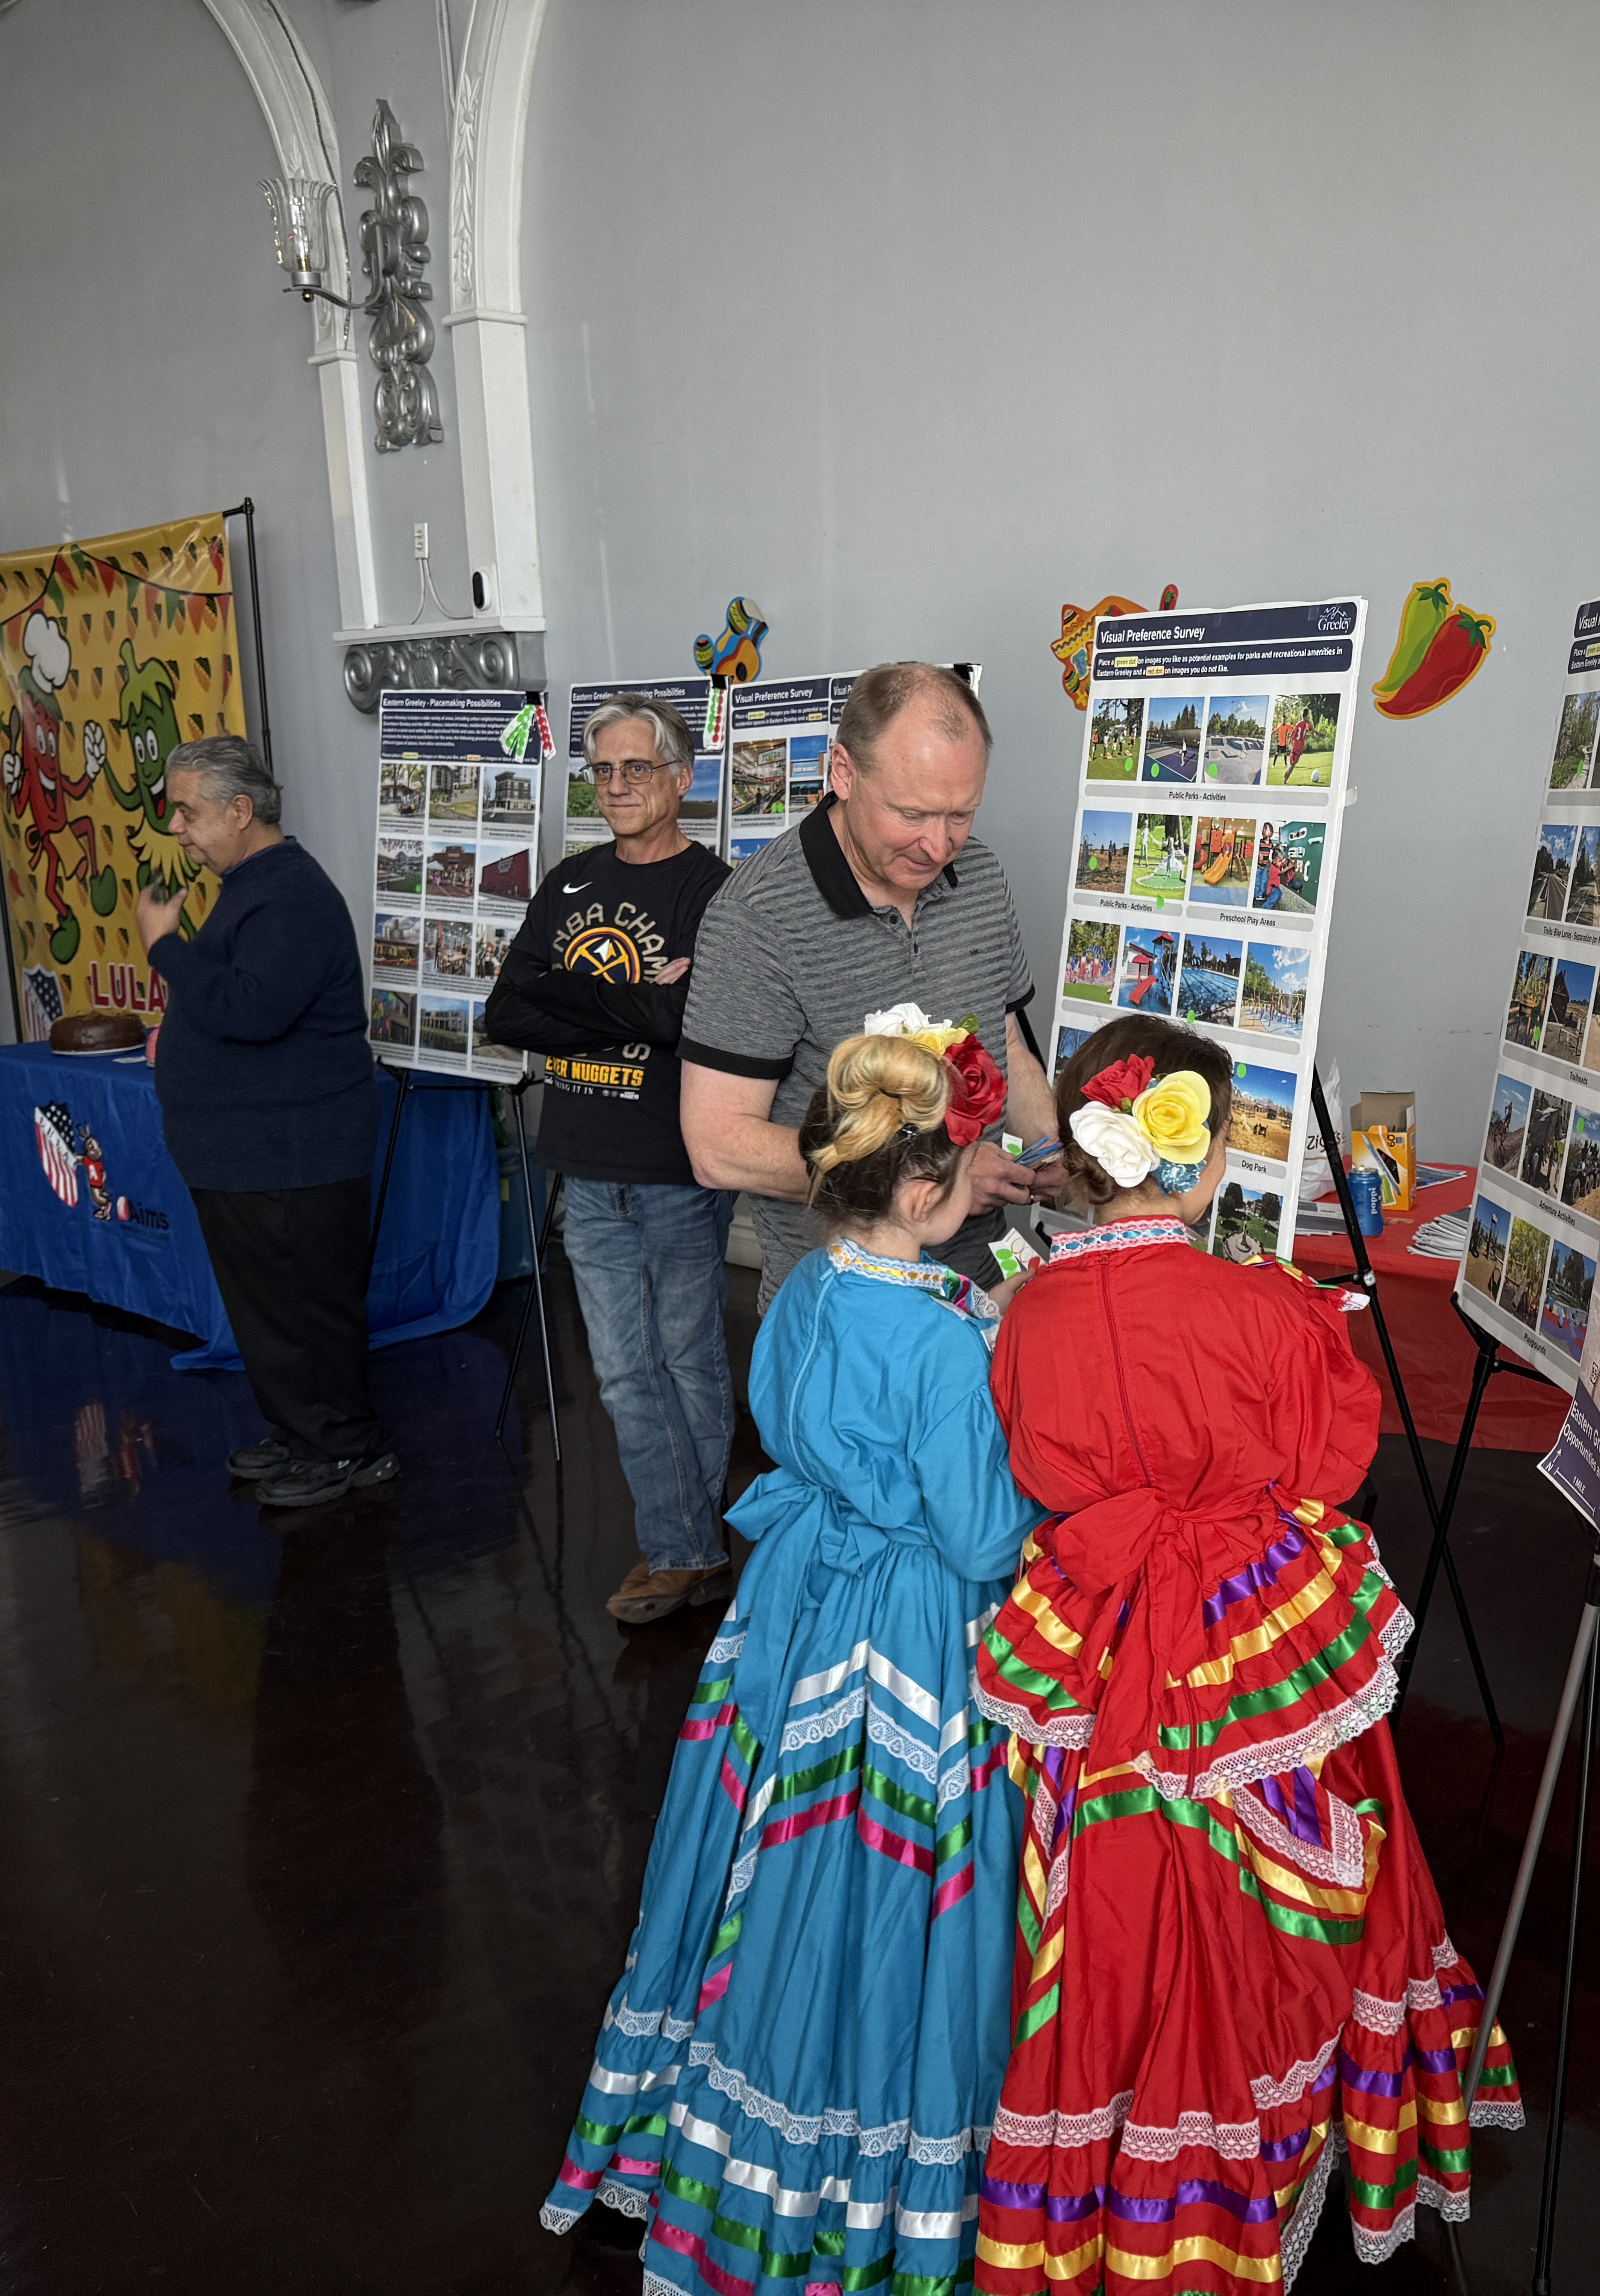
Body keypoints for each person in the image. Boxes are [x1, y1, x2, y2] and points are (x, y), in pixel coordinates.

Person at [972, 1013, 1520, 2291]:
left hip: (1096, 1621)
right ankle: (1277, 2100)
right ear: (1207, 1162)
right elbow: (1329, 1470)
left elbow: (1030, 1462)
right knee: (1303, 1857)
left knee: (1106, 1871)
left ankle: (1124, 2112)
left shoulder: (1027, 1313)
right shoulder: (1266, 1308)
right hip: (1247, 1624)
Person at [540, 1025, 1043, 2291]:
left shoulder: (804, 1281)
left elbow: (792, 1424)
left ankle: (710, 2113)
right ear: (923, 1193)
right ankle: (852, 2148)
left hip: (795, 1603)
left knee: (761, 1838)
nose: (984, 1181)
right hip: (911, 1622)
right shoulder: (939, 1343)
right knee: (881, 1872)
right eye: (974, 1167)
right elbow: (982, 1535)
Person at [678, 662, 1061, 1304]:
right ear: (844, 773)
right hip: (846, 1314)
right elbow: (720, 1147)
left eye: (961, 815)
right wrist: (945, 1176)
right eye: (911, 813)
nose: (938, 846)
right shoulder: (757, 916)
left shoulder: (984, 879)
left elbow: (1009, 1048)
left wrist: (1055, 1149)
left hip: (981, 1295)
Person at [483, 696, 741, 1624]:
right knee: (624, 1372)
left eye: (638, 768)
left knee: (686, 1360)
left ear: (680, 776)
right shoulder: (568, 883)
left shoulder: (714, 893)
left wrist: (572, 987)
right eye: (603, 770)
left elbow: (686, 1022)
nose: (619, 785)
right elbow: (506, 1010)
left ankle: (683, 1546)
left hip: (675, 1165)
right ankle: (686, 1547)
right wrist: (631, 989)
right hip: (582, 1162)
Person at [135, 735, 389, 1510]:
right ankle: (303, 1434)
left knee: (305, 1309)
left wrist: (165, 948)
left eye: (188, 810)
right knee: (271, 1313)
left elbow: (253, 1010)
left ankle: (348, 1449)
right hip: (254, 1154)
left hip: (294, 1152)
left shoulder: (290, 895)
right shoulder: (254, 886)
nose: (176, 827)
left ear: (241, 812)